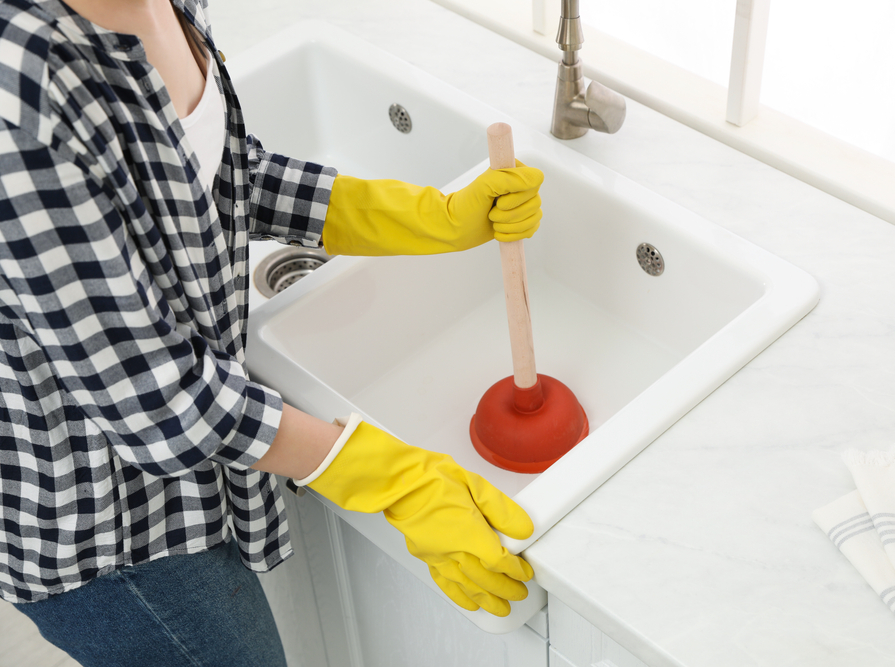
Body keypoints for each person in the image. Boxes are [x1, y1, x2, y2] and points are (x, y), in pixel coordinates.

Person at [0, 0, 545, 664]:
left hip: (195, 461)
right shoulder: (20, 92)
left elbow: (214, 175)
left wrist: (424, 216)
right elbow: (151, 399)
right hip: (107, 531)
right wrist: (391, 478)